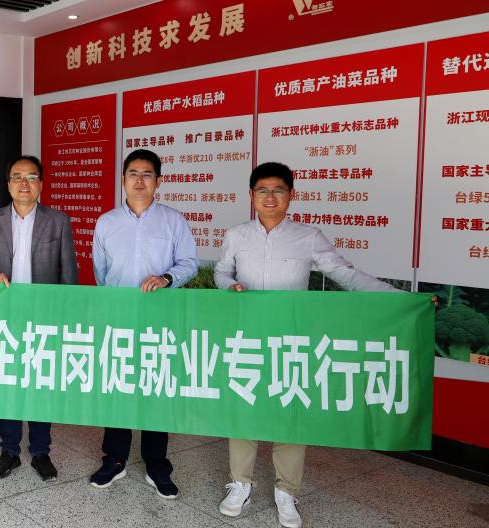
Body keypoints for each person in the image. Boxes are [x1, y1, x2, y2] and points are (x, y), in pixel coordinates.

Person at [213, 161, 398, 528]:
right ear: (251, 195)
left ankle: (287, 490)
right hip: (247, 337)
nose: (270, 197)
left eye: (278, 190)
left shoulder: (308, 237)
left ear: (291, 195)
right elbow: (221, 271)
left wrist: (400, 300)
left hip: (290, 340)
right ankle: (240, 483)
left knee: (290, 410)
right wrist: (228, 285)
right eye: (262, 190)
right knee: (243, 407)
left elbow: (345, 274)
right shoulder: (236, 235)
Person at [87, 149, 198, 498]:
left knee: (155, 387)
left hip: (158, 321)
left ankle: (156, 463)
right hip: (118, 320)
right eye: (133, 173)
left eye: (147, 174)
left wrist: (166, 278)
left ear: (158, 181)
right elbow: (100, 273)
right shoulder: (106, 222)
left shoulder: (174, 221)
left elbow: (189, 263)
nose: (139, 180)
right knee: (118, 387)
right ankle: (115, 459)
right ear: (123, 180)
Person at [0, 155, 78, 482]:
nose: (24, 183)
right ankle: (10, 450)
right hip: (5, 317)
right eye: (17, 177)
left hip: (44, 317)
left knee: (41, 383)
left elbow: (68, 274)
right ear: (8, 184)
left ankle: (41, 451)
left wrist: (65, 318)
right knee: (8, 383)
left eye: (31, 177)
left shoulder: (57, 221)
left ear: (41, 184)